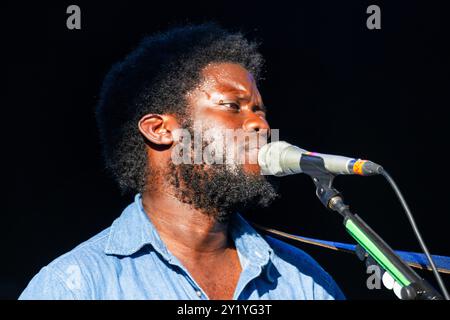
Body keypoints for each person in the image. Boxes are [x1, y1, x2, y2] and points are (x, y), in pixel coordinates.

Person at [19, 23, 345, 300]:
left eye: (258, 110)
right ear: (160, 130)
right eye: (233, 106)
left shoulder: (304, 281)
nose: (259, 124)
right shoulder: (76, 284)